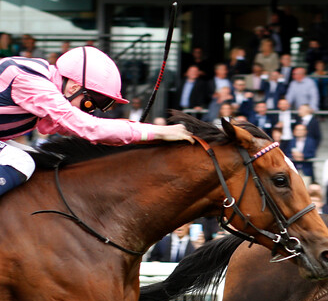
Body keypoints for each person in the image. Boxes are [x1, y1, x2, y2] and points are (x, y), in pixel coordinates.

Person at [0, 46, 191, 197]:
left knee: (41, 161)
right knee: (21, 161)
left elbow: (92, 133)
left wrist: (146, 138)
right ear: (74, 87)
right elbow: (90, 128)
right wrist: (161, 131)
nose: (89, 111)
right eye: (89, 103)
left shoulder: (49, 86)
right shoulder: (31, 80)